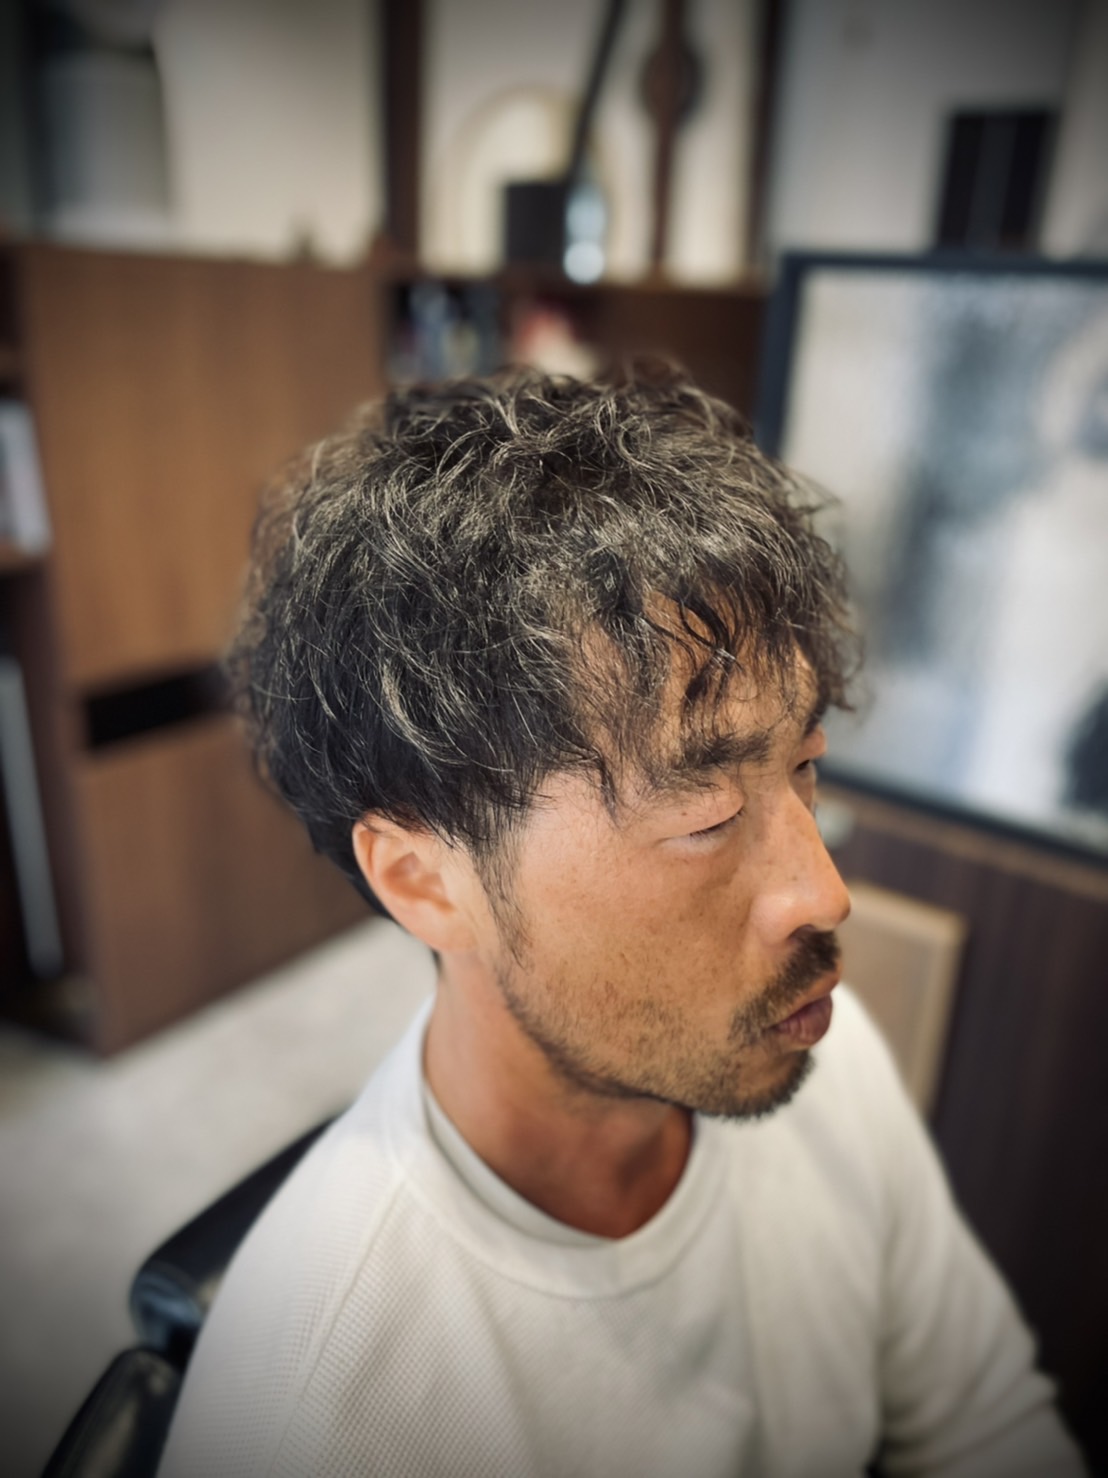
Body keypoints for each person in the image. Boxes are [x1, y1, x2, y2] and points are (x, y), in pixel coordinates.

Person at [158, 366, 1084, 1477]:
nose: (822, 893)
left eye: (804, 768)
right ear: (424, 882)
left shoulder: (819, 1059)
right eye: (706, 816)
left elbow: (984, 1422)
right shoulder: (309, 1407)